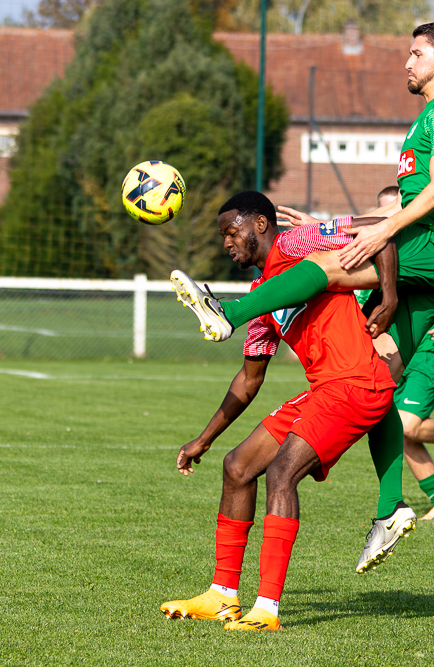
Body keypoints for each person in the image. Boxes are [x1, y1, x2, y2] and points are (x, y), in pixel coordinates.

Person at [171, 22, 434, 518]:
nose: (407, 62)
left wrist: (381, 233)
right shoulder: (430, 116)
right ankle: (391, 508)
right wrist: (346, 226)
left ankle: (228, 311)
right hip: (429, 256)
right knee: (378, 378)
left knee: (324, 264)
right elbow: (403, 205)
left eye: (416, 53)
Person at [163, 191, 415, 632]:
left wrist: (389, 296)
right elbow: (248, 380)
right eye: (223, 236)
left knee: (282, 473)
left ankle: (267, 609)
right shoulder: (265, 299)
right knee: (238, 467)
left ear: (260, 223)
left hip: (356, 384)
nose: (227, 242)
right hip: (323, 390)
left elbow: (380, 228)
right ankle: (222, 594)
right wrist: (204, 439)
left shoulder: (296, 243)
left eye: (231, 231)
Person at [284, 186, 434, 521]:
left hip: (426, 346)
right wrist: (315, 226)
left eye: (394, 212)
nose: (389, 220)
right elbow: (350, 239)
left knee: (404, 424)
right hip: (390, 343)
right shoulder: (380, 248)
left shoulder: (422, 246)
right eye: (383, 214)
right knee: (390, 421)